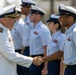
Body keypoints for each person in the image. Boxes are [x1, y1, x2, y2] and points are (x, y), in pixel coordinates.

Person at [0, 5, 43, 75]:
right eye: (12, 18)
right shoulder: (1, 34)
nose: (15, 21)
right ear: (4, 19)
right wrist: (32, 60)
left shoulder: (5, 30)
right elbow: (11, 55)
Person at [39, 4, 76, 75]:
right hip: (69, 69)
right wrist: (43, 59)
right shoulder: (68, 33)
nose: (59, 19)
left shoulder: (74, 32)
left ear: (71, 18)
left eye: (62, 17)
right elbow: (60, 53)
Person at [29, 6, 51, 75]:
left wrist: (45, 67)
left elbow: (47, 49)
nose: (30, 16)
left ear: (38, 16)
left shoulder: (43, 29)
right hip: (33, 59)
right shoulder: (33, 28)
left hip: (40, 59)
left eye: (32, 14)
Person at [20, 0, 37, 74]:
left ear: (29, 8)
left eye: (23, 7)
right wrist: (23, 48)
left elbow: (33, 36)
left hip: (31, 48)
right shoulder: (26, 19)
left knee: (29, 70)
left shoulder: (31, 19)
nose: (21, 9)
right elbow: (26, 36)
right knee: (24, 69)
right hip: (26, 48)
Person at [11, 7, 25, 75]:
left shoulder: (21, 25)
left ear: (19, 15)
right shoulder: (14, 24)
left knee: (21, 71)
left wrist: (23, 49)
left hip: (19, 51)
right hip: (14, 50)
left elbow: (24, 38)